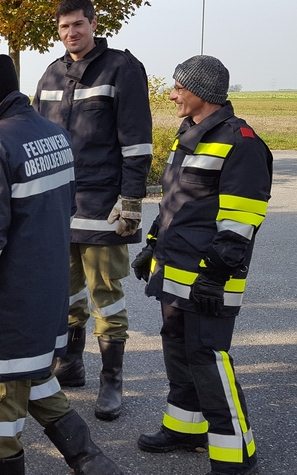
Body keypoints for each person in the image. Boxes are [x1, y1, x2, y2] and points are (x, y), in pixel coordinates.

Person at [0, 54, 122, 475]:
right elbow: (64, 208)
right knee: (36, 379)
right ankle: (92, 461)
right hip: (48, 299)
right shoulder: (54, 135)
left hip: (7, 312)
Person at [133, 56, 271, 475]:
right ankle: (185, 428)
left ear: (202, 92)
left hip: (209, 278)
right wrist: (151, 245)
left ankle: (236, 455)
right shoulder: (189, 134)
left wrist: (214, 277)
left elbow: (240, 221)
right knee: (178, 349)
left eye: (178, 87)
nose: (172, 95)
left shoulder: (240, 143)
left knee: (208, 357)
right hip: (174, 270)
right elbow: (174, 202)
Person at [33, 0, 152, 420]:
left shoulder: (121, 68)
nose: (71, 33)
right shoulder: (50, 73)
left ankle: (112, 382)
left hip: (103, 205)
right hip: (58, 205)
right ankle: (70, 365)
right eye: (64, 27)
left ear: (93, 23)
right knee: (63, 291)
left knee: (106, 295)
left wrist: (131, 199)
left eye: (78, 24)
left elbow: (137, 141)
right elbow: (35, 138)